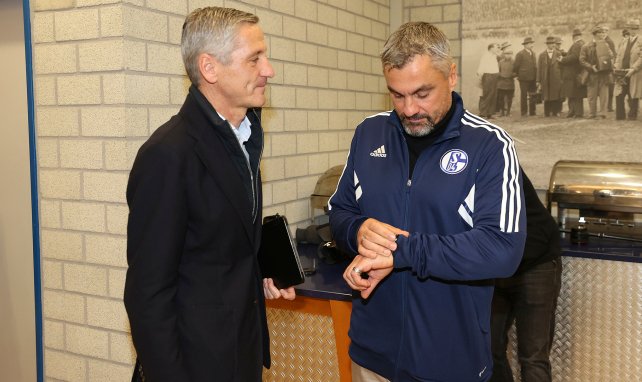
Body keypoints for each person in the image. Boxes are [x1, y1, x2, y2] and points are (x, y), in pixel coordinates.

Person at [329, 22, 526, 382]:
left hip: (450, 362)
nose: (409, 109)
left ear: (451, 75)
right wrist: (358, 232)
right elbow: (340, 211)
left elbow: (503, 248)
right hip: (371, 355)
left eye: (422, 94)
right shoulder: (369, 133)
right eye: (397, 95)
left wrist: (403, 252)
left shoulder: (491, 146)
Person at [124, 7, 295, 382]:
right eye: (255, 59)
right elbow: (147, 296)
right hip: (194, 365)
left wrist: (260, 269)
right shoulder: (168, 155)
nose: (269, 70)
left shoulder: (246, 137)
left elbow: (215, 237)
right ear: (210, 68)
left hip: (241, 354)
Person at [490, 170, 562, 382]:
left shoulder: (497, 161)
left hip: (535, 263)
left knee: (533, 358)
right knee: (488, 350)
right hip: (496, 269)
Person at [580, 25, 614, 119]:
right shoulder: (586, 46)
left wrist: (609, 61)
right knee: (592, 95)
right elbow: (582, 60)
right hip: (592, 74)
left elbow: (611, 56)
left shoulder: (606, 44)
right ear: (595, 34)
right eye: (600, 32)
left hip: (604, 74)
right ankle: (592, 113)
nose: (603, 34)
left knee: (604, 94)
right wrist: (591, 67)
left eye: (603, 32)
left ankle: (603, 113)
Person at [614, 18, 642, 120]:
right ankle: (620, 116)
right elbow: (618, 55)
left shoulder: (641, 40)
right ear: (628, 29)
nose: (633, 30)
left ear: (638, 29)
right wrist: (616, 66)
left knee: (633, 94)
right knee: (619, 93)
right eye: (631, 28)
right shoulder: (623, 41)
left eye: (635, 28)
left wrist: (633, 69)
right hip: (622, 72)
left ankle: (632, 115)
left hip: (635, 72)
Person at [558, 29, 587, 118]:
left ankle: (577, 113)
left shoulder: (577, 45)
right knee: (573, 93)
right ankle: (573, 111)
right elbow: (574, 55)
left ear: (573, 37)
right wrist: (565, 54)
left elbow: (574, 57)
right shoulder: (581, 44)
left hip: (573, 73)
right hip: (576, 73)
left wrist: (562, 59)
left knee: (575, 94)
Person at [537, 36, 563, 116]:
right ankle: (547, 112)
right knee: (546, 95)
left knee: (555, 95)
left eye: (553, 43)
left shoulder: (558, 53)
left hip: (556, 78)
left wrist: (561, 78)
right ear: (547, 45)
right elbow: (539, 68)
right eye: (550, 44)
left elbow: (562, 66)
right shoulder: (542, 55)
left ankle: (555, 112)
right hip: (545, 78)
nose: (552, 45)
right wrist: (538, 81)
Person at [513, 37, 538, 116]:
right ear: (525, 45)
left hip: (533, 78)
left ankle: (532, 112)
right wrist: (518, 75)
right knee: (524, 95)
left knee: (533, 94)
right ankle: (524, 112)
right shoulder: (520, 54)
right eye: (530, 44)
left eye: (532, 43)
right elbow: (516, 66)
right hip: (523, 78)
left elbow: (535, 66)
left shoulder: (533, 53)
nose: (532, 45)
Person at [477, 42, 501, 118]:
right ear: (491, 48)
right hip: (488, 76)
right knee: (487, 94)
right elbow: (481, 66)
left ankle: (490, 113)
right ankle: (483, 113)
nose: (497, 49)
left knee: (494, 94)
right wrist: (480, 76)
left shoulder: (495, 56)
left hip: (495, 76)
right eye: (496, 47)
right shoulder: (485, 56)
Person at [497, 44, 516, 117]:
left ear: (511, 54)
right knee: (501, 98)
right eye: (506, 54)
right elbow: (498, 71)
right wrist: (501, 75)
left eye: (509, 54)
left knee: (509, 98)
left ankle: (508, 111)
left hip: (510, 82)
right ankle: (502, 111)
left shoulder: (514, 62)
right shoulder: (501, 62)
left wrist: (512, 75)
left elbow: (516, 71)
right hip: (501, 82)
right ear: (504, 54)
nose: (507, 55)